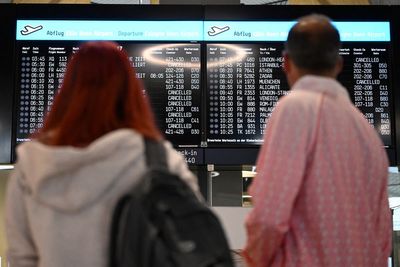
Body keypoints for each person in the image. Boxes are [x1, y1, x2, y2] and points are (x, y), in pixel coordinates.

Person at [6, 41, 200, 267]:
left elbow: (21, 257)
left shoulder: (32, 163)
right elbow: (193, 238)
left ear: (68, 90)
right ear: (132, 91)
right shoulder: (160, 160)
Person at [243, 14, 392, 267]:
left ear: (286, 62)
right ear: (339, 65)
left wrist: (254, 260)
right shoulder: (365, 129)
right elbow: (382, 232)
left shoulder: (295, 108)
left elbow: (269, 214)